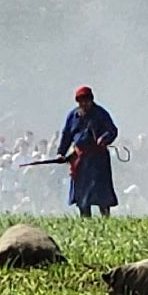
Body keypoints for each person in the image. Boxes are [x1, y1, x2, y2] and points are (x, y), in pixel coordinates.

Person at [59, 86, 119, 218]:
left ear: (91, 100)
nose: (84, 104)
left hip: (98, 159)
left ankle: (105, 217)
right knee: (82, 194)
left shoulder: (101, 114)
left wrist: (104, 138)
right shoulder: (73, 116)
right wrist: (61, 153)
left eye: (86, 100)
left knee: (102, 192)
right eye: (81, 101)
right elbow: (67, 135)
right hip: (80, 160)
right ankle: (85, 218)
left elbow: (112, 130)